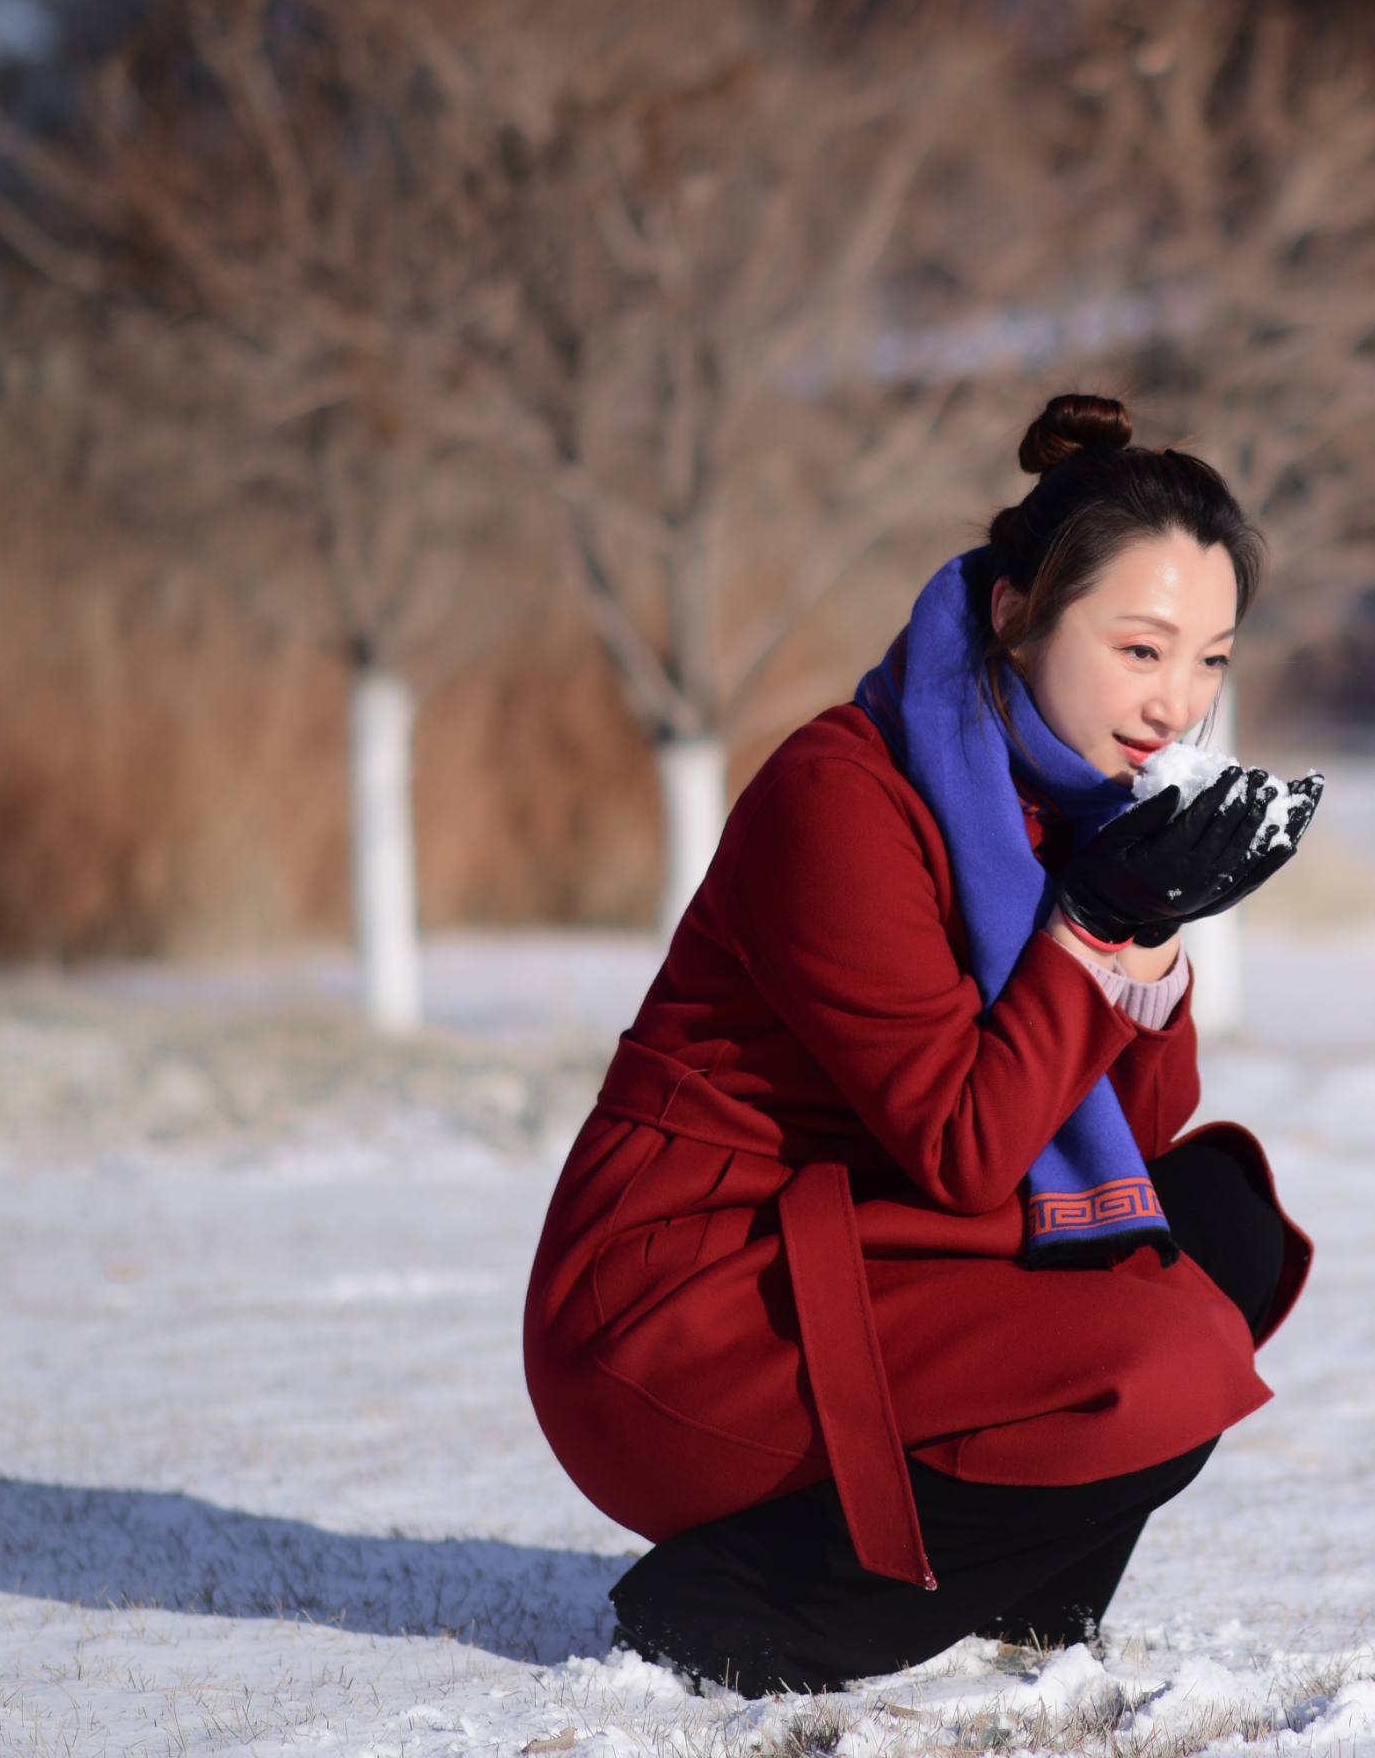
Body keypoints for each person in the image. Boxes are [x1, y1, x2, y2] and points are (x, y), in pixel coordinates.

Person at [521, 394, 1322, 1696]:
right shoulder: (843, 797)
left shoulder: (1074, 802)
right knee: (1172, 1358)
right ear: (1014, 610)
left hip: (860, 1236)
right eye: (1141, 649)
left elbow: (1142, 1124)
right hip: (689, 1305)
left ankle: (1027, 1599)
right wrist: (1094, 927)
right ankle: (754, 1609)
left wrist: (1153, 934)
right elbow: (964, 1147)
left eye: (1212, 661)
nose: (1179, 705)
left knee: (1215, 1222)